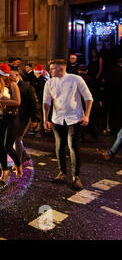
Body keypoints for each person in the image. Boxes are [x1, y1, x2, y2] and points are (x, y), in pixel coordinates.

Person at [43, 59, 93, 191]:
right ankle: (63, 173)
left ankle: (76, 177)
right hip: (57, 119)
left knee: (73, 146)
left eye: (53, 68)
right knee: (59, 147)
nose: (50, 71)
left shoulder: (76, 79)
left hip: (74, 118)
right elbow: (46, 102)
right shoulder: (49, 82)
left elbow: (88, 98)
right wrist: (45, 119)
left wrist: (86, 115)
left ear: (61, 68)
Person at [10, 67, 40, 162]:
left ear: (17, 75)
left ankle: (18, 162)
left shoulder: (27, 87)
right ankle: (24, 155)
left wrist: (35, 119)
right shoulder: (8, 86)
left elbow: (34, 103)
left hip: (24, 117)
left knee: (17, 139)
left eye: (11, 75)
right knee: (14, 137)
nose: (9, 77)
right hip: (13, 117)